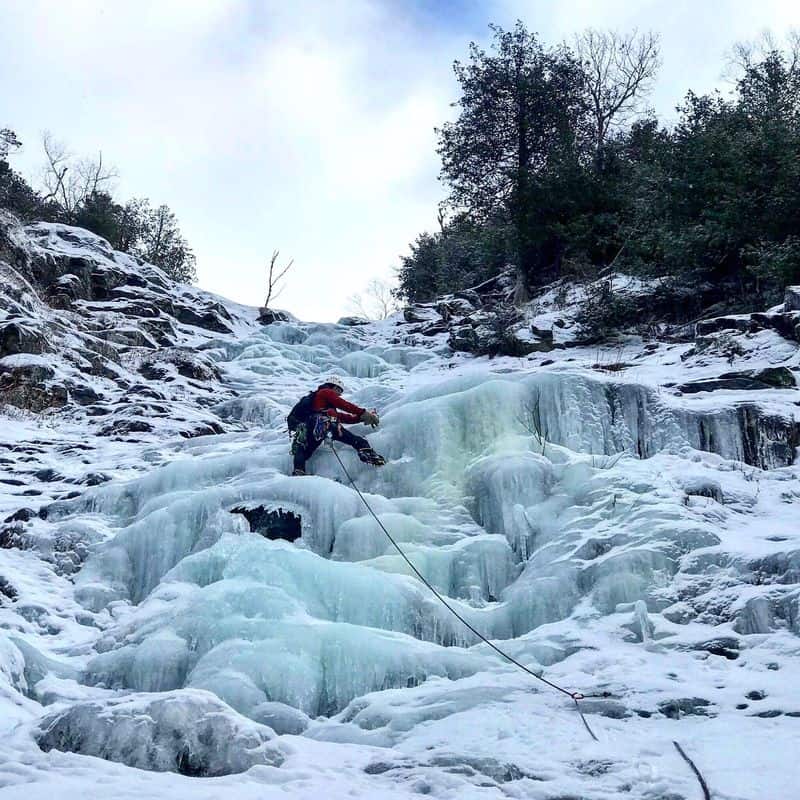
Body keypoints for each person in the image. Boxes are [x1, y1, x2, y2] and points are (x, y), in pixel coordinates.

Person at [289, 375, 385, 476]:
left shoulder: (323, 406)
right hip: (326, 424)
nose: (339, 395)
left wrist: (360, 418)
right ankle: (369, 455)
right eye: (339, 391)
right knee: (357, 441)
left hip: (313, 427)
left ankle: (299, 471)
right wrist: (364, 413)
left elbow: (344, 417)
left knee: (303, 451)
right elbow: (344, 405)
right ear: (334, 387)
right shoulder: (326, 392)